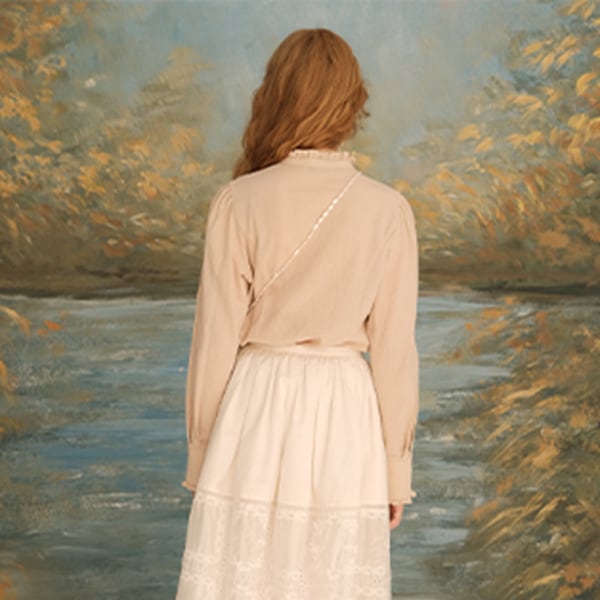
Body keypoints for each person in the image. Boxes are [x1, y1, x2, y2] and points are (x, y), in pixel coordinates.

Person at [175, 27, 419, 600]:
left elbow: (213, 344)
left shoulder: (239, 201)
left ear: (277, 95)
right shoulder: (388, 210)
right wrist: (396, 472)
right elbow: (394, 356)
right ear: (351, 103)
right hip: (346, 414)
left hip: (255, 407)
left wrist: (202, 456)